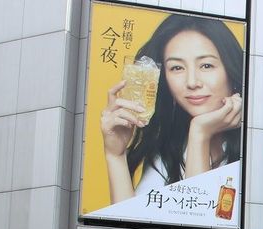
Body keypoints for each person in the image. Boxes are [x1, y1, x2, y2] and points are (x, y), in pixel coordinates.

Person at [101, 14, 245, 204]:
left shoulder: (256, 146)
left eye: (206, 65)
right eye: (177, 68)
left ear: (231, 70)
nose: (192, 82)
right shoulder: (166, 150)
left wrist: (200, 133)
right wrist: (115, 155)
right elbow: (129, 228)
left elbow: (200, 225)